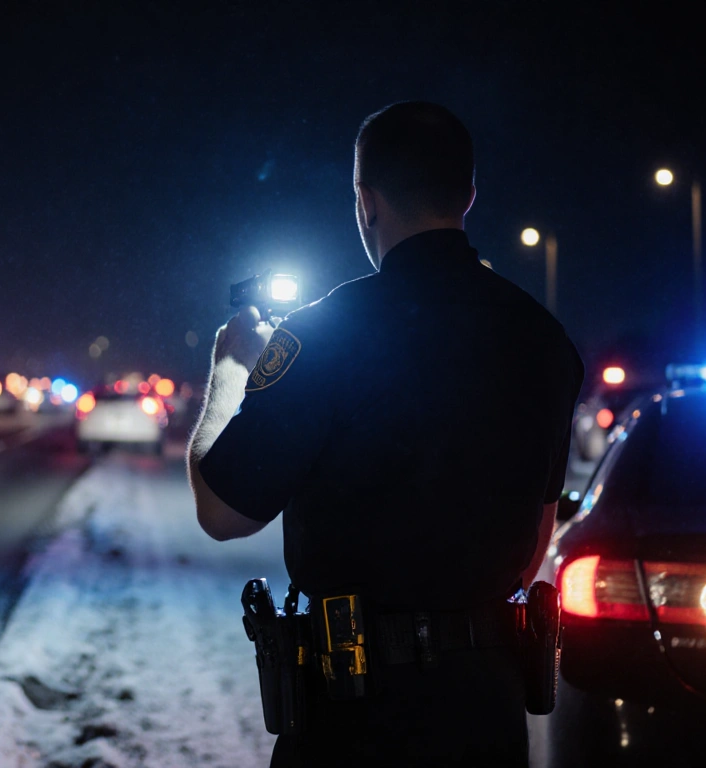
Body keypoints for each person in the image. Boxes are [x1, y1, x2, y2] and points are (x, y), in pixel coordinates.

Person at [187, 102, 583, 767]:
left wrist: (229, 375)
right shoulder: (541, 339)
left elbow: (222, 512)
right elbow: (534, 544)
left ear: (365, 202)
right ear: (470, 195)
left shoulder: (326, 333)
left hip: (354, 717)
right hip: (485, 713)